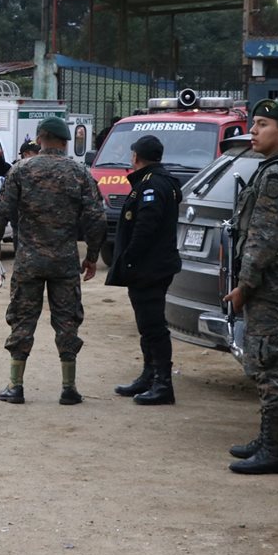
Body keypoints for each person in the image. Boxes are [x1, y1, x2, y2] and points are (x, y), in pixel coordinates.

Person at [0, 117, 106, 405]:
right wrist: (91, 256)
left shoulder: (21, 170)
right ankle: (68, 388)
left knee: (22, 319)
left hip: (29, 260)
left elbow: (0, 213)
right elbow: (97, 218)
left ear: (40, 137)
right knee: (67, 322)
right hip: (65, 262)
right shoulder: (79, 172)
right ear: (66, 142)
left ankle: (15, 386)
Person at [222, 99, 278, 474]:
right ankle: (266, 438)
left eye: (261, 125)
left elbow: (264, 237)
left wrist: (244, 286)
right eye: (253, 124)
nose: (253, 131)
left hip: (270, 283)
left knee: (269, 362)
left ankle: (274, 451)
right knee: (263, 358)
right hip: (273, 279)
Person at [105, 134, 183, 405]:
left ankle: (163, 383)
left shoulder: (152, 185)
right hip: (152, 265)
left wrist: (129, 259)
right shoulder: (158, 181)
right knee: (146, 323)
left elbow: (145, 227)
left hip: (150, 267)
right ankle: (149, 375)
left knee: (153, 325)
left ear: (136, 157)